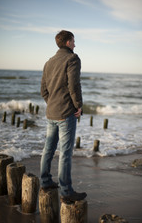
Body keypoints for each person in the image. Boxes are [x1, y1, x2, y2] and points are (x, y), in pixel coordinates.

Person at [40, 30, 87, 202]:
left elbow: (43, 90)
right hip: (66, 113)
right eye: (73, 41)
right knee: (65, 154)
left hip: (51, 112)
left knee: (48, 149)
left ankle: (45, 182)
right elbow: (73, 85)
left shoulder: (49, 62)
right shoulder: (72, 59)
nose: (75, 44)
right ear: (67, 42)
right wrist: (79, 106)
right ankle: (66, 192)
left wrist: (52, 103)